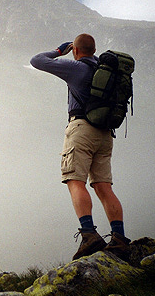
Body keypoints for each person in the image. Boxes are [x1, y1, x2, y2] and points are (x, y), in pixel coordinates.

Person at [30, 33, 131, 261]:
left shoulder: (76, 68)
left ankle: (89, 234)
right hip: (105, 134)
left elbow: (37, 60)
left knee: (75, 181)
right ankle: (119, 238)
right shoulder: (105, 71)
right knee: (104, 186)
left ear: (76, 50)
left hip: (81, 129)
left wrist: (58, 51)